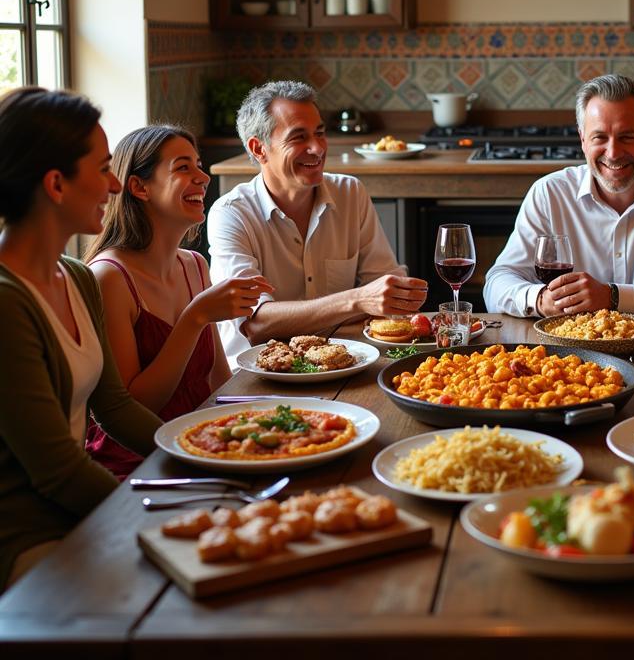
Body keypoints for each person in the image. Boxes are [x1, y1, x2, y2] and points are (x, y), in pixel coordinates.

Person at [0, 88, 161, 590]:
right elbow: (56, 470)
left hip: (77, 512)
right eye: (102, 169)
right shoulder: (6, 302)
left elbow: (113, 405)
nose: (114, 185)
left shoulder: (77, 276)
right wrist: (152, 517)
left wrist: (197, 454)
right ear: (56, 184)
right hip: (24, 536)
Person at [84, 125, 272, 478]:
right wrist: (195, 317)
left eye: (199, 165)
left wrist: (268, 415)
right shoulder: (108, 277)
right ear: (140, 187)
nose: (202, 177)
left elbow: (217, 381)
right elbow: (132, 408)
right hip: (136, 462)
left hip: (203, 442)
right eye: (183, 167)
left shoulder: (194, 265)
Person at [208, 80, 427, 368]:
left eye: (320, 133)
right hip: (255, 377)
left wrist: (394, 298)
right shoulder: (231, 214)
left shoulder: (350, 192)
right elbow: (256, 323)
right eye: (298, 137)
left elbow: (385, 295)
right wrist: (357, 300)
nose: (317, 148)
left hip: (345, 364)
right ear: (258, 149)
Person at [484, 73, 634, 322]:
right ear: (583, 140)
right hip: (570, 355)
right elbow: (496, 285)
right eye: (600, 137)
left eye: (626, 137)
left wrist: (613, 297)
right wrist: (540, 299)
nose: (613, 153)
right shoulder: (549, 193)